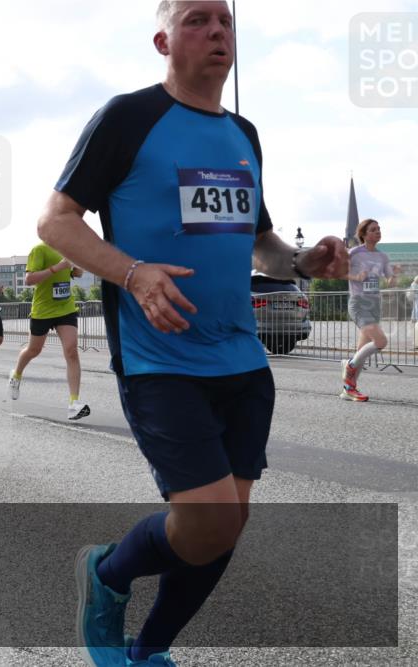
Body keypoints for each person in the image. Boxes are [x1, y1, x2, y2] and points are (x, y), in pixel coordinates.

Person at [37, 3, 347, 665]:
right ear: (163, 39)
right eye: (197, 19)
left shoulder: (244, 134)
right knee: (205, 521)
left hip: (241, 358)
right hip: (161, 359)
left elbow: (261, 244)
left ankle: (148, 651)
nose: (217, 32)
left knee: (224, 528)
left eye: (226, 22)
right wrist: (133, 273)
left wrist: (302, 263)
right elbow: (56, 222)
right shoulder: (128, 117)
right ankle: (107, 572)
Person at [6, 244, 90, 420]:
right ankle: (16, 375)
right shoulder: (40, 250)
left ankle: (74, 403)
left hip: (65, 308)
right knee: (34, 350)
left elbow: (77, 274)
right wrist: (57, 267)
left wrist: (76, 269)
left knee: (71, 351)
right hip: (43, 310)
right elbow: (29, 280)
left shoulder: (68, 249)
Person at [341, 219, 402, 401]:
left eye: (379, 229)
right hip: (359, 303)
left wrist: (395, 274)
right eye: (373, 230)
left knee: (361, 350)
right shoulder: (354, 253)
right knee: (381, 341)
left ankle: (348, 389)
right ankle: (348, 367)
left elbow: (390, 281)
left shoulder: (382, 257)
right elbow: (340, 272)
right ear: (364, 234)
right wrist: (356, 276)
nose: (378, 232)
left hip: (374, 304)